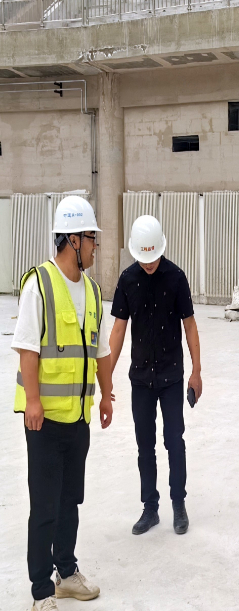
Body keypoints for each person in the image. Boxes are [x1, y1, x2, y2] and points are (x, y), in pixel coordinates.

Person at [12, 196, 113, 611]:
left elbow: (100, 350)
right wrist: (33, 401)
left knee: (70, 500)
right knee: (45, 506)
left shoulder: (92, 290)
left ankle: (66, 574)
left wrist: (106, 395)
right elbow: (27, 347)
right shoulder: (39, 284)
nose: (95, 246)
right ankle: (41, 591)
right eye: (91, 238)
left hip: (77, 417)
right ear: (72, 239)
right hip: (44, 420)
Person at [109, 215, 202, 536]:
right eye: (143, 258)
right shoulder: (127, 280)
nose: (148, 264)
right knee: (144, 445)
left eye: (153, 257)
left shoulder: (176, 277)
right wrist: (106, 376)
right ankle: (150, 507)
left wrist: (197, 371)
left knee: (174, 440)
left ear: (161, 248)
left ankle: (179, 504)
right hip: (141, 379)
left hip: (171, 376)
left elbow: (190, 325)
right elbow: (118, 329)